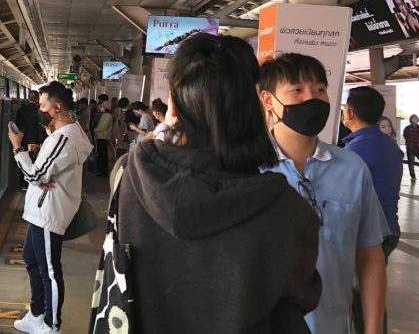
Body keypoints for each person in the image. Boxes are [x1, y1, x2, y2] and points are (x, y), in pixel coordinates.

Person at [109, 34, 321, 333]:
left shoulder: (127, 176)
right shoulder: (289, 210)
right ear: (256, 106)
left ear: (174, 104)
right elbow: (299, 300)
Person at [260, 53, 389, 334]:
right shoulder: (249, 169)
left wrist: (373, 329)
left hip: (331, 326)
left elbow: (369, 256)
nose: (313, 98)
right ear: (268, 100)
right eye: (297, 90)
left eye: (320, 89)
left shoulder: (353, 169)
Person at [8, 81, 93, 334]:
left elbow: (35, 176)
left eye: (43, 105)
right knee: (31, 260)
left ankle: (51, 324)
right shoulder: (64, 134)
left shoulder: (63, 139)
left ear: (56, 108)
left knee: (50, 270)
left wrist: (17, 147)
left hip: (49, 212)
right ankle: (36, 313)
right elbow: (45, 171)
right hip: (42, 210)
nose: (39, 108)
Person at [341, 87, 404, 333]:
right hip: (389, 227)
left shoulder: (358, 150)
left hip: (369, 232)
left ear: (350, 112)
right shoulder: (387, 144)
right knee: (370, 296)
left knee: (363, 299)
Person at [93, 100, 113, 177]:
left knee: (102, 155)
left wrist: (95, 130)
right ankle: (102, 171)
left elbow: (103, 127)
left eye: (102, 106)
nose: (101, 108)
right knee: (102, 155)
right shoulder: (106, 114)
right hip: (102, 136)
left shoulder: (107, 115)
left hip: (103, 137)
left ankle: (103, 172)